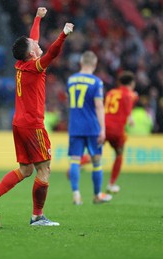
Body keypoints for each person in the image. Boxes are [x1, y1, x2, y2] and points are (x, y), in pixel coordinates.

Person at [0, 7, 74, 226]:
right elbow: (52, 54)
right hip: (32, 124)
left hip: (19, 122)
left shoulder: (21, 65)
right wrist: (63, 34)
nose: (37, 42)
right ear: (32, 54)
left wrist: (38, 17)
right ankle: (37, 216)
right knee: (44, 168)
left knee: (26, 169)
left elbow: (33, 39)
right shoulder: (36, 67)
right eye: (34, 45)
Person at [66, 51, 112, 205]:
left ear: (81, 63)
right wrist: (103, 129)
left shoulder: (71, 80)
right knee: (96, 161)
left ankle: (76, 194)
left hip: (75, 125)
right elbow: (99, 106)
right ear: (95, 64)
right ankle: (97, 194)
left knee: (75, 160)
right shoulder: (97, 82)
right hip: (92, 126)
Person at [105, 71, 138, 193]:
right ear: (132, 83)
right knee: (119, 153)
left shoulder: (111, 92)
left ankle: (78, 165)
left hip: (103, 127)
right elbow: (128, 110)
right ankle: (111, 184)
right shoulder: (129, 95)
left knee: (95, 153)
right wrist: (130, 119)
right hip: (117, 130)